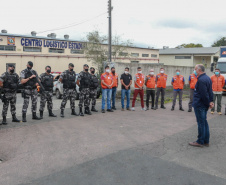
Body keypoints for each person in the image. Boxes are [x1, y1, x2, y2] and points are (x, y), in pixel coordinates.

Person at [189, 64, 213, 147]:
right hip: (204, 104)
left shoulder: (201, 80)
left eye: (195, 69)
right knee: (204, 122)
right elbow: (210, 92)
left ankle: (200, 141)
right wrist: (211, 101)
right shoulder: (207, 78)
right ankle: (206, 140)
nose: (194, 71)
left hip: (200, 105)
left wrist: (208, 103)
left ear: (199, 70)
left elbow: (204, 94)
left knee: (201, 123)